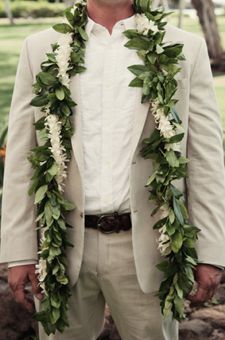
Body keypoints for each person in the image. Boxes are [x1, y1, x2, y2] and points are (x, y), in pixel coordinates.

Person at [1, 0, 225, 339]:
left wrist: (210, 251)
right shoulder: (41, 49)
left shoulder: (184, 49)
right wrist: (19, 251)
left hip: (149, 250)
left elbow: (205, 158)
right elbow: (21, 156)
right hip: (62, 247)